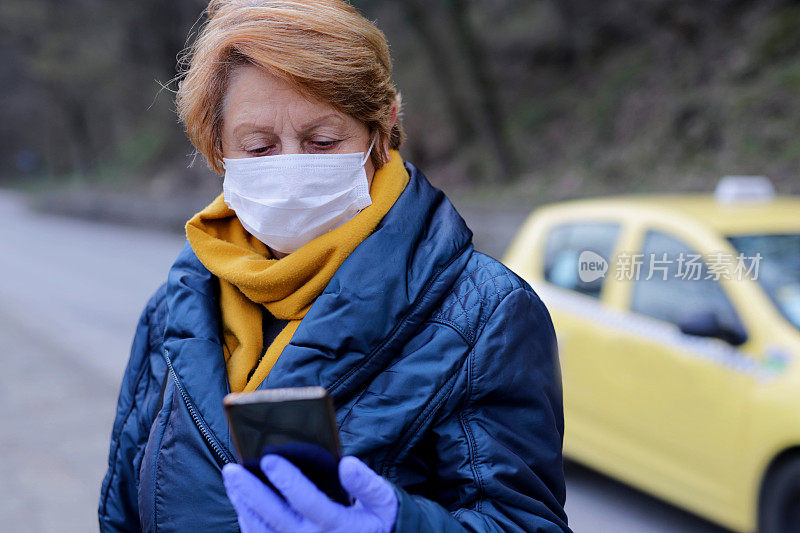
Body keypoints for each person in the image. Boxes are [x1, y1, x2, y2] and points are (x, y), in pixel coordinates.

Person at [97, 1, 570, 531]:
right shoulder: (175, 308)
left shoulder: (487, 315)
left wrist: (399, 527)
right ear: (217, 149)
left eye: (322, 142)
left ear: (382, 128)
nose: (292, 169)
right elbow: (123, 510)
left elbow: (525, 522)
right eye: (259, 147)